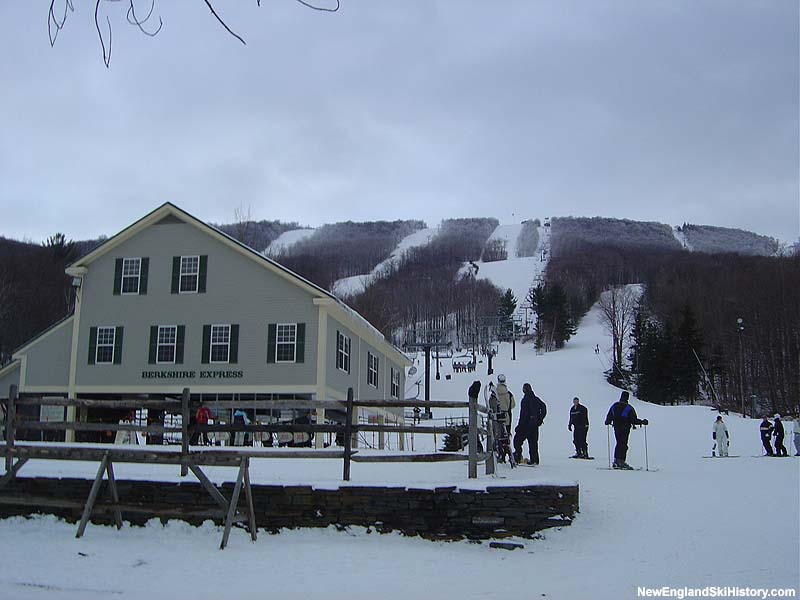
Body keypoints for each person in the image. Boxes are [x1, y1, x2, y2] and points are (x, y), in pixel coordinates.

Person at [604, 390, 648, 470]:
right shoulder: (629, 407)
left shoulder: (614, 405)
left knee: (618, 443)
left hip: (616, 427)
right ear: (627, 398)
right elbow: (633, 420)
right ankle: (621, 462)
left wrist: (608, 421)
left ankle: (616, 461)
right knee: (623, 444)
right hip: (625, 428)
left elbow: (609, 415)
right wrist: (642, 422)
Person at [513, 383, 547, 465]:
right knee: (533, 444)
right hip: (534, 426)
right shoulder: (536, 399)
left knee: (517, 441)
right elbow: (544, 408)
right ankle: (534, 460)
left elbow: (523, 415)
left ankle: (518, 457)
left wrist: (519, 425)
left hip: (525, 426)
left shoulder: (525, 400)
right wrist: (539, 419)